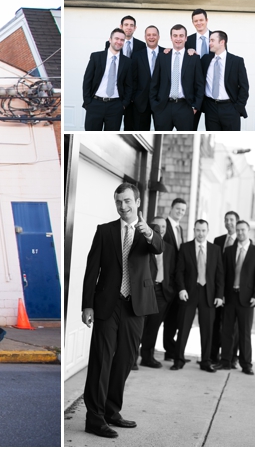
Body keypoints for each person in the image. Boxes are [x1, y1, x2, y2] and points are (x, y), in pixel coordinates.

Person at [81, 183, 161, 439]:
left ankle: (111, 411)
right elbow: (91, 269)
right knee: (101, 359)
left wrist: (148, 232)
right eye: (118, 202)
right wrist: (87, 304)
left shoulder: (149, 231)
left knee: (126, 359)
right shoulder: (104, 231)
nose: (123, 206)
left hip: (135, 305)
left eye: (127, 201)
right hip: (108, 303)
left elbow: (158, 247)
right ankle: (94, 418)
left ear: (137, 202)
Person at [172, 220, 224, 372]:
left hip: (209, 294)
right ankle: (178, 360)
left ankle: (205, 361)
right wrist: (181, 289)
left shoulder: (215, 249)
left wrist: (219, 295)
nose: (200, 234)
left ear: (207, 231)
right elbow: (179, 271)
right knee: (183, 327)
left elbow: (220, 274)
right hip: (189, 293)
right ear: (194, 230)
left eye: (203, 231)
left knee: (207, 330)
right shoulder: (185, 247)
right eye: (198, 230)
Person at [217, 221, 255, 375]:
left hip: (247, 298)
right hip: (230, 296)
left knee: (245, 333)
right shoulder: (229, 250)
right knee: (227, 331)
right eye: (238, 230)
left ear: (248, 230)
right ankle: (225, 361)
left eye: (243, 230)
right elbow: (223, 274)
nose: (240, 232)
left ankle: (246, 364)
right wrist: (221, 294)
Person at [149, 24, 204, 131]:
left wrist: (195, 106)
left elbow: (199, 84)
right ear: (171, 37)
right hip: (163, 107)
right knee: (161, 140)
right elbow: (154, 82)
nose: (178, 39)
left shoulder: (194, 58)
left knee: (186, 141)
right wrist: (155, 105)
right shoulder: (162, 56)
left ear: (186, 38)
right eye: (175, 35)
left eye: (181, 35)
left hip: (185, 107)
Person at [138, 217, 176, 368]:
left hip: (162, 292)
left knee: (153, 327)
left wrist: (170, 290)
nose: (161, 229)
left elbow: (172, 271)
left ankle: (147, 357)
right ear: (151, 227)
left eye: (164, 226)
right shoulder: (142, 245)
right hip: (145, 290)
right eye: (158, 226)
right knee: (139, 325)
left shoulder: (170, 248)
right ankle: (132, 358)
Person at [82, 28, 134, 131]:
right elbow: (87, 80)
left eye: (122, 40)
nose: (119, 42)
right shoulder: (96, 57)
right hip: (95, 104)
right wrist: (88, 102)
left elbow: (129, 85)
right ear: (110, 39)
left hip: (115, 106)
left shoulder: (127, 62)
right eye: (116, 38)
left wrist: (123, 105)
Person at [200, 31, 249, 131]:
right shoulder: (205, 59)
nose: (209, 43)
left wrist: (237, 108)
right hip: (210, 108)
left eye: (212, 40)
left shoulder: (236, 61)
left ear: (222, 42)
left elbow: (244, 87)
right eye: (210, 40)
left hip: (230, 109)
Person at [103, 16, 145, 130]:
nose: (129, 28)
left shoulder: (141, 45)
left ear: (135, 28)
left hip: (133, 93)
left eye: (131, 25)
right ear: (121, 26)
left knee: (130, 125)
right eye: (126, 25)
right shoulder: (111, 44)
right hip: (117, 92)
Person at [210, 211, 240, 365]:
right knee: (215, 323)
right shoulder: (218, 240)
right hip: (217, 289)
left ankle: (232, 357)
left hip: (234, 291)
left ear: (237, 222)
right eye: (226, 220)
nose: (229, 222)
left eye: (232, 220)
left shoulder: (242, 242)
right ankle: (213, 355)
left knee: (232, 326)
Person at [161, 198, 187, 362]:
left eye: (183, 210)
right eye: (178, 209)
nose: (180, 212)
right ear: (171, 208)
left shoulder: (180, 229)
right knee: (157, 319)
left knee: (172, 320)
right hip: (164, 280)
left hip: (175, 282)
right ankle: (146, 351)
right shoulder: (164, 225)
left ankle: (170, 350)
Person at [186, 8, 213, 130]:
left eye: (201, 20)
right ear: (193, 23)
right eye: (195, 21)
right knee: (190, 128)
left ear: (206, 20)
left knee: (212, 128)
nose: (199, 23)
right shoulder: (188, 40)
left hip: (211, 91)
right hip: (193, 92)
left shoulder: (216, 38)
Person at [132, 26, 161, 130]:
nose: (151, 37)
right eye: (149, 35)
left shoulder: (166, 53)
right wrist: (134, 98)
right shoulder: (136, 56)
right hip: (141, 103)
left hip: (160, 102)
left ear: (159, 37)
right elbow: (133, 79)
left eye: (154, 35)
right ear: (145, 37)